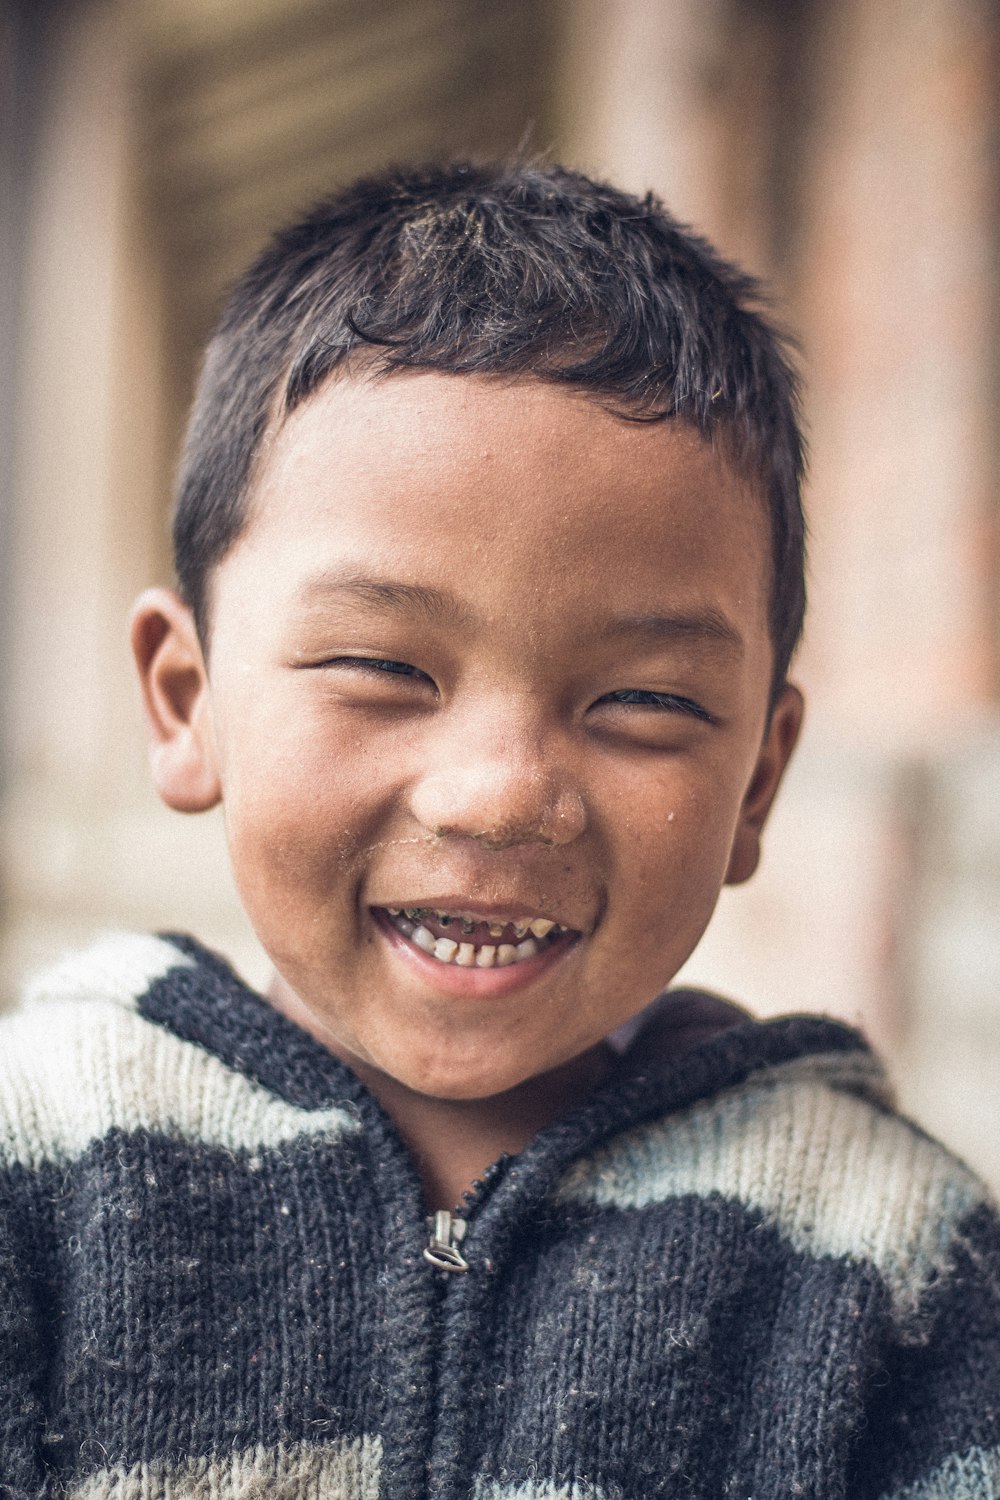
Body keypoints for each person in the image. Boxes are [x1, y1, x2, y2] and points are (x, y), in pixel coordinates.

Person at [1, 161, 997, 1500]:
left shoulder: (891, 1265)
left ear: (759, 780)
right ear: (187, 703)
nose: (500, 792)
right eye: (383, 667)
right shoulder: (39, 1164)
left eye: (643, 700)